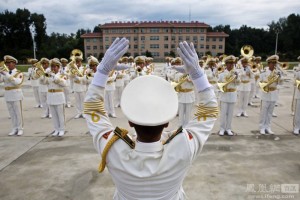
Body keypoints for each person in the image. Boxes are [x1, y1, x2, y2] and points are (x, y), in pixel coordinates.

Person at [83, 38, 218, 199]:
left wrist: (102, 71)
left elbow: (93, 110)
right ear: (167, 121)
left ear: (130, 121)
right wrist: (198, 74)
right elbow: (209, 110)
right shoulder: (184, 146)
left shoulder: (112, 149)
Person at [0, 55, 24, 136]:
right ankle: (14, 128)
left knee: (18, 113)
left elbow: (17, 82)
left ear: (14, 63)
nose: (7, 65)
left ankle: (20, 128)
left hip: (16, 94)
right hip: (8, 95)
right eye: (6, 63)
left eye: (9, 63)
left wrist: (6, 74)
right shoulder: (5, 73)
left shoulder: (19, 73)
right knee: (12, 113)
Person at [258, 55, 283, 135]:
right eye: (272, 63)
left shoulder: (278, 73)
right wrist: (265, 84)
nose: (274, 65)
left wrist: (280, 78)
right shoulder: (263, 73)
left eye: (275, 63)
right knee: (264, 112)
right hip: (265, 95)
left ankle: (268, 127)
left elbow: (281, 83)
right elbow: (258, 83)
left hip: (274, 94)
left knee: (270, 113)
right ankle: (262, 127)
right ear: (268, 64)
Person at [218, 55, 240, 136]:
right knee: (223, 114)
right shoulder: (221, 74)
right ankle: (222, 128)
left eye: (232, 63)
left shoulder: (236, 73)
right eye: (229, 63)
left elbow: (238, 83)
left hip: (232, 95)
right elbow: (218, 84)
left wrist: (237, 77)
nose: (231, 65)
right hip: (224, 95)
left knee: (230, 114)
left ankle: (228, 129)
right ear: (226, 64)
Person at [47, 59, 67, 137]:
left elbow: (64, 84)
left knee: (60, 115)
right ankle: (56, 129)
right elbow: (42, 82)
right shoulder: (49, 75)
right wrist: (43, 76)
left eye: (54, 66)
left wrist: (54, 76)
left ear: (58, 67)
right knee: (54, 115)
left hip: (58, 97)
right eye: (52, 66)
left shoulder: (62, 75)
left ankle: (62, 129)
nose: (53, 68)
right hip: (50, 96)